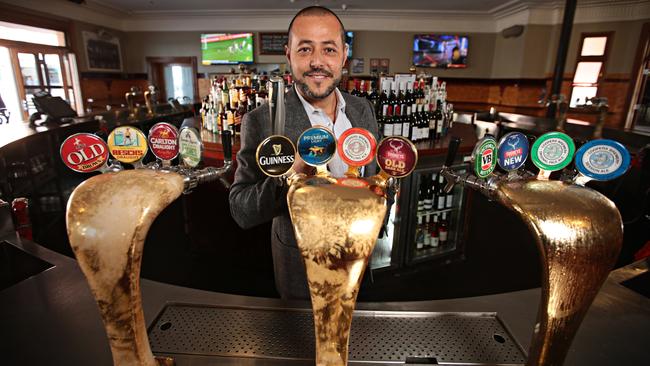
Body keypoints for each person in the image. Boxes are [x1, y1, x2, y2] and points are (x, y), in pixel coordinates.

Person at [229, 6, 379, 300]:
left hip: (360, 260)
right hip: (300, 269)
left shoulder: (363, 110)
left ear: (344, 56)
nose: (317, 62)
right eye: (305, 49)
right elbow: (241, 210)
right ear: (289, 55)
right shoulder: (261, 120)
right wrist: (288, 177)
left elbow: (376, 181)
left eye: (329, 50)